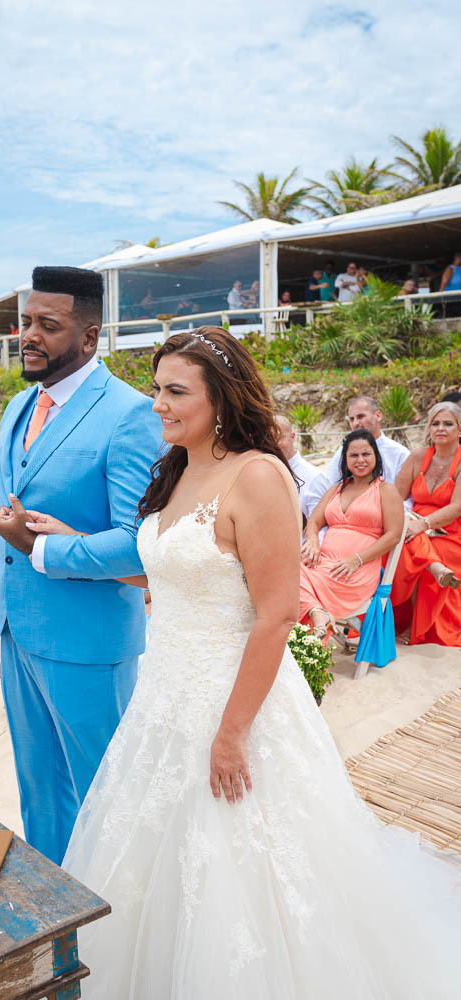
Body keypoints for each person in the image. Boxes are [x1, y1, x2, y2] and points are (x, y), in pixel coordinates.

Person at [55, 328, 461, 999]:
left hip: (233, 699)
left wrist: (232, 732)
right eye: (156, 389)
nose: (157, 404)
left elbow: (274, 614)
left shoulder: (258, 476)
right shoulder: (176, 469)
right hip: (163, 698)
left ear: (220, 399)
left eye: (175, 391)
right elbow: (171, 574)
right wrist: (73, 543)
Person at [0, 265, 161, 866]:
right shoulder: (17, 407)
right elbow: (0, 523)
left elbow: (139, 547)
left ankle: (111, 916)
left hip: (89, 645)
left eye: (48, 326)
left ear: (89, 335)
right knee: (42, 799)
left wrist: (43, 550)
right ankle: (59, 914)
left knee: (106, 801)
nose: (29, 335)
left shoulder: (130, 414)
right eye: (26, 321)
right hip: (17, 636)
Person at [299, 430, 403, 638]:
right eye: (353, 455)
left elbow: (393, 536)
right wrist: (312, 541)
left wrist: (356, 560)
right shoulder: (338, 489)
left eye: (366, 454)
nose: (360, 460)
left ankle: (316, 621)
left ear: (376, 456)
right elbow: (314, 522)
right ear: (345, 459)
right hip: (323, 562)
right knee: (284, 572)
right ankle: (317, 613)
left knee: (295, 580)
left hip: (354, 570)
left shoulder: (386, 490)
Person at [390, 402, 461, 646]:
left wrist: (424, 524)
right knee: (398, 544)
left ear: (459, 429)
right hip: (414, 524)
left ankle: (417, 624)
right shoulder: (418, 456)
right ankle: (435, 569)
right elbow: (396, 496)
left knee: (429, 548)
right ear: (429, 428)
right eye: (435, 423)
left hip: (450, 531)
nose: (440, 428)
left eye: (448, 424)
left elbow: (457, 507)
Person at [302, 396, 409, 517]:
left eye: (361, 417)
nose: (355, 423)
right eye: (352, 419)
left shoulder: (399, 454)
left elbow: (407, 500)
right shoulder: (344, 451)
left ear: (378, 415)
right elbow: (329, 483)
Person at [274, 414, 318, 499]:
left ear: (292, 437)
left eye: (278, 437)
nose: (273, 444)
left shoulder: (313, 478)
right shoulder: (263, 475)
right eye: (268, 438)